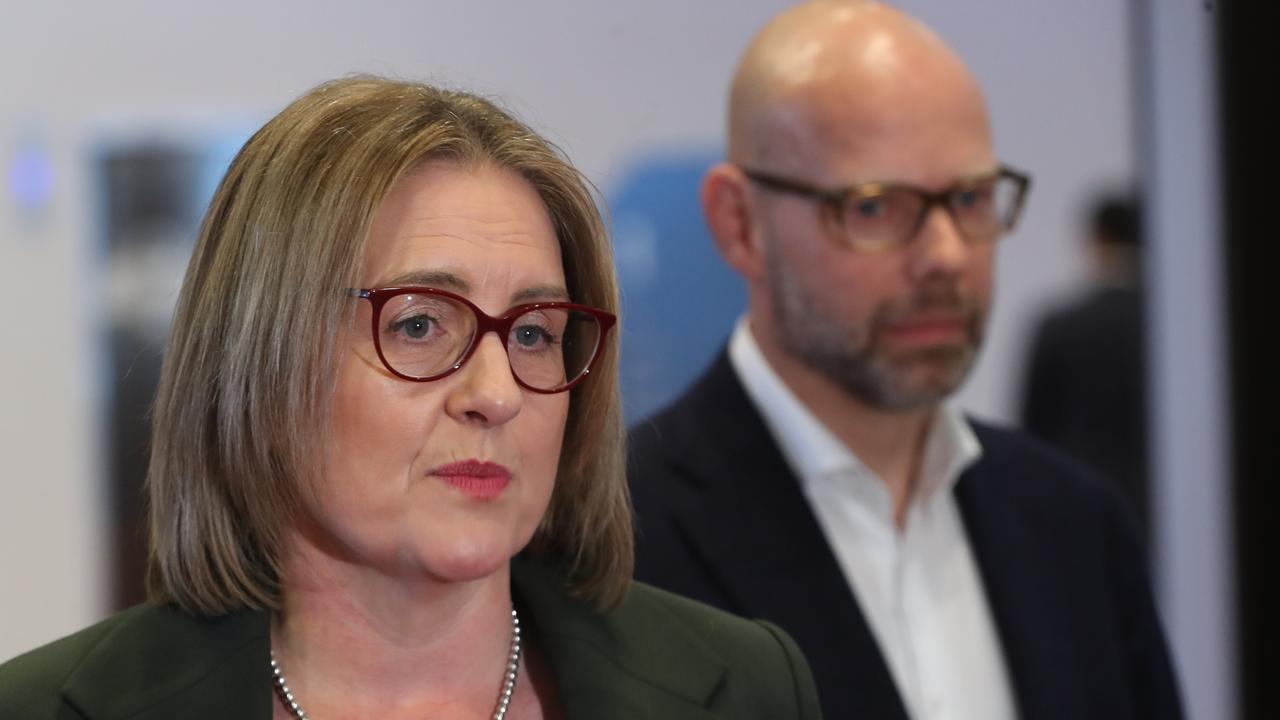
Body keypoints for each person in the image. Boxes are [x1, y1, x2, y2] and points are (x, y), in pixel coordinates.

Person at [0, 76, 822, 720]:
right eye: (423, 323)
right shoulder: (49, 710)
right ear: (258, 356)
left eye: (533, 333)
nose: (497, 395)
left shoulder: (746, 687)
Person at [628, 3, 1183, 719]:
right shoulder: (616, 548)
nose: (947, 256)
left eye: (972, 198)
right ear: (741, 225)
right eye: (874, 207)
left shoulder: (1077, 527)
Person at [1021, 192, 1151, 541]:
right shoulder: (1171, 331)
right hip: (1162, 504)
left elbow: (1033, 436)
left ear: (1097, 238)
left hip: (1079, 510)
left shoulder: (1062, 326)